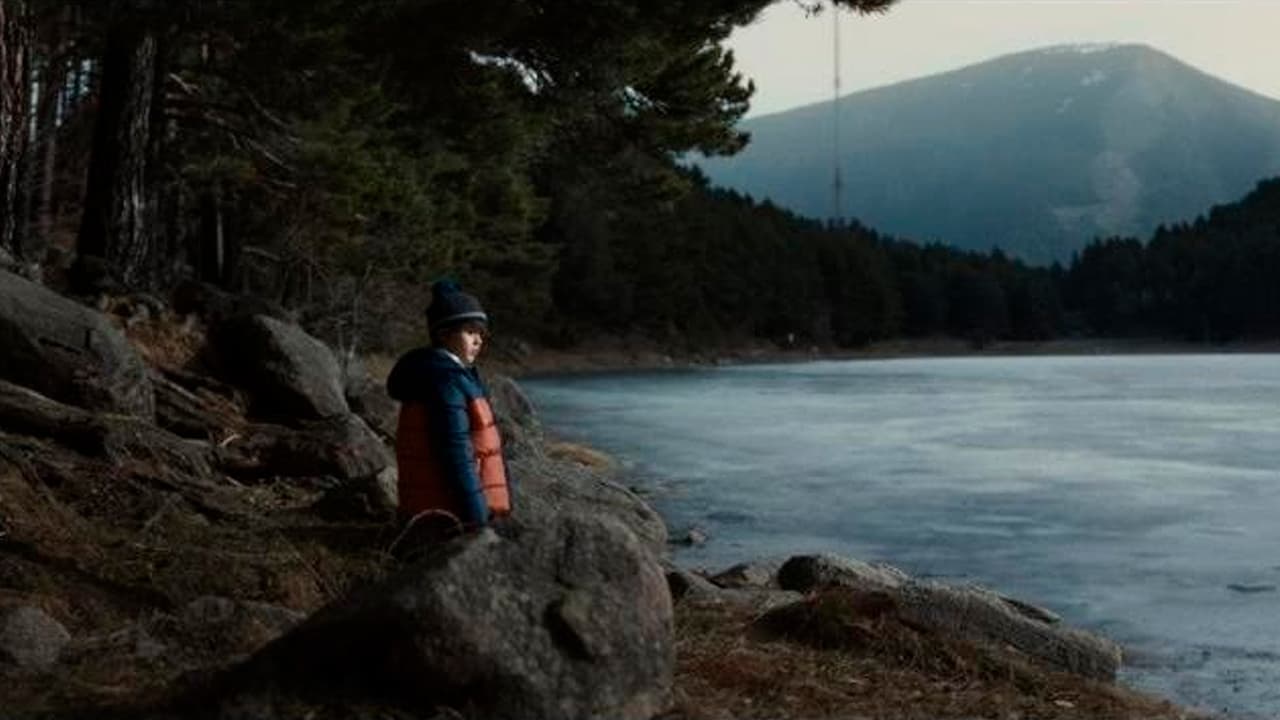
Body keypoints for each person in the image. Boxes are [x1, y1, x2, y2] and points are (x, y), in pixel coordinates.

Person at [385, 280, 512, 552]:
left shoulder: (452, 376)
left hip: (445, 515)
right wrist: (478, 522)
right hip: (449, 520)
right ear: (444, 334)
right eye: (470, 332)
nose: (479, 340)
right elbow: (456, 455)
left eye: (481, 333)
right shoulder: (445, 382)